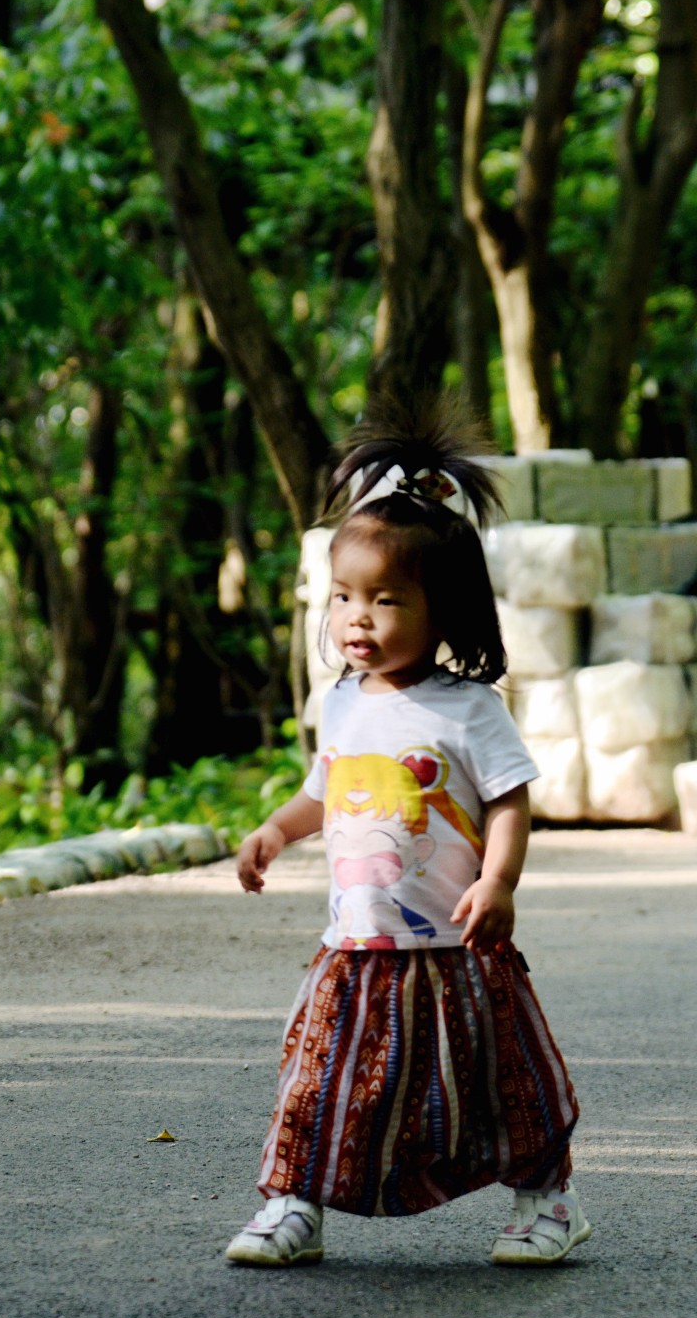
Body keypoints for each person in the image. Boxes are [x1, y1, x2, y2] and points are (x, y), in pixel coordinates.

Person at [224, 394, 587, 1268]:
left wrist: (497, 882)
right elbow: (327, 790)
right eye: (345, 596)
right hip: (355, 947)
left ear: (444, 610)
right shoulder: (342, 701)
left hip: (455, 951)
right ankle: (293, 1204)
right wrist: (276, 830)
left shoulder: (467, 711)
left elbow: (509, 801)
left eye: (386, 600)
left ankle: (548, 1203)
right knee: (320, 1082)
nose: (358, 617)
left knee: (502, 1086)